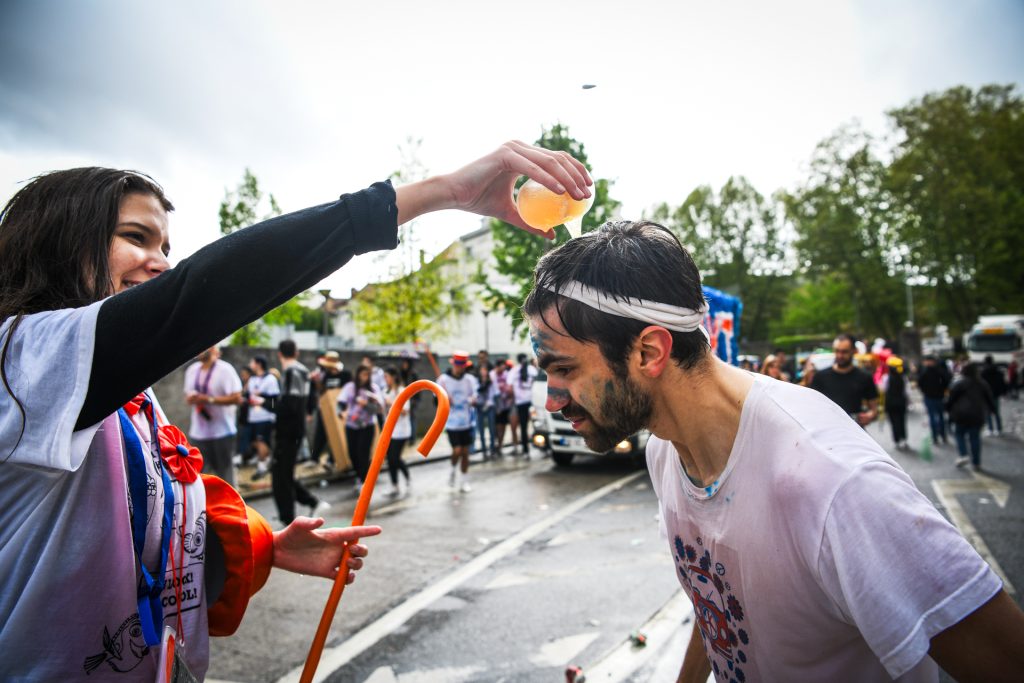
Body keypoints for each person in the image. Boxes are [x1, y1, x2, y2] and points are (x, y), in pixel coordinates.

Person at [0, 141, 592, 679]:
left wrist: (268, 547)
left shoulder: (124, 395)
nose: (161, 264)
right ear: (60, 243)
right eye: (136, 238)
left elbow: (133, 536)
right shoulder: (25, 361)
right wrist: (445, 193)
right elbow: (208, 290)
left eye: (166, 248)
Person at [522, 220, 1024, 682]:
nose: (552, 398)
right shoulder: (666, 451)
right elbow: (719, 599)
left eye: (563, 368)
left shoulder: (833, 483)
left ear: (649, 352)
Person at [272, 339, 329, 525]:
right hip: (296, 430)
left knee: (281, 476)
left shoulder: (290, 372)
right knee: (283, 474)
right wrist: (309, 411)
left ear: (280, 353)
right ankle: (308, 504)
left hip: (287, 430)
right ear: (296, 352)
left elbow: (288, 404)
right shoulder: (304, 371)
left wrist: (265, 403)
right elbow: (310, 398)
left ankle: (289, 518)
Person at [183, 345, 243, 488]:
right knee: (199, 477)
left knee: (226, 476)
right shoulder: (192, 370)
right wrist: (193, 399)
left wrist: (209, 400)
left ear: (213, 348)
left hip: (223, 431)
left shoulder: (225, 369)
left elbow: (237, 398)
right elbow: (187, 395)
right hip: (198, 433)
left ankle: (232, 508)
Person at [810, 334, 879, 427]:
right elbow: (811, 407)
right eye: (837, 351)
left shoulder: (864, 377)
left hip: (854, 431)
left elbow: (874, 410)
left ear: (854, 351)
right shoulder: (820, 377)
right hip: (826, 432)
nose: (840, 355)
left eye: (844, 352)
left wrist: (869, 416)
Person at [437, 350, 479, 492]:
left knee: (465, 452)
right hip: (451, 422)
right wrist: (443, 401)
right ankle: (452, 470)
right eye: (457, 365)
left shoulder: (470, 380)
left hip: (467, 421)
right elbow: (434, 401)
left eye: (461, 365)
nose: (459, 368)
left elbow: (475, 397)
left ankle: (464, 481)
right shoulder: (443, 380)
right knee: (457, 450)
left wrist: (473, 400)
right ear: (453, 364)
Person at [338, 364, 384, 491]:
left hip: (367, 425)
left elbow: (379, 409)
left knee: (363, 452)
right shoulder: (350, 387)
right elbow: (340, 403)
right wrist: (341, 412)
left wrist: (366, 404)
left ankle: (365, 480)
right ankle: (359, 475)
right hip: (351, 425)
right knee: (352, 453)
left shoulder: (373, 389)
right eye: (363, 374)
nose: (365, 377)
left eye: (367, 375)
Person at [947, 363, 997, 471]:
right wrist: (993, 410)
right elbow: (989, 398)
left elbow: (951, 399)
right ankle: (976, 462)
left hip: (961, 414)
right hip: (977, 414)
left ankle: (963, 454)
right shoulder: (982, 383)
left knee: (959, 434)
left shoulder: (959, 383)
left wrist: (947, 409)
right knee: (975, 438)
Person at [309, 350, 352, 470]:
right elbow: (322, 391)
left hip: (339, 409)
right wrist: (317, 382)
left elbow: (349, 391)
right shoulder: (326, 375)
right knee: (321, 433)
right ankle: (315, 458)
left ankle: (333, 459)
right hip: (326, 409)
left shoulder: (345, 375)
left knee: (338, 434)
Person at [246, 355, 279, 480]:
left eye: (252, 361)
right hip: (252, 416)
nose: (250, 364)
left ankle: (262, 467)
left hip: (265, 416)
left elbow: (274, 399)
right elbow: (249, 395)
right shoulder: (252, 379)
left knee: (261, 441)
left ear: (258, 364)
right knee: (253, 441)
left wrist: (261, 397)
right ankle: (270, 459)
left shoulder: (270, 379)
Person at [382, 366, 412, 496]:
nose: (385, 380)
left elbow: (405, 412)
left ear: (393, 377)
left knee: (395, 457)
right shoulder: (385, 391)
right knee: (390, 459)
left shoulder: (402, 391)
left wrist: (392, 403)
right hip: (389, 431)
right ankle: (394, 485)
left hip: (401, 431)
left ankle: (407, 477)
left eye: (387, 377)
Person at [917, 354, 951, 445]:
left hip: (931, 396)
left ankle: (937, 436)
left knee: (935, 417)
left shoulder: (926, 371)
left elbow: (920, 383)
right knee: (939, 417)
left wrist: (925, 391)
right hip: (938, 396)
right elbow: (947, 380)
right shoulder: (939, 370)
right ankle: (941, 436)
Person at [881, 355, 910, 450]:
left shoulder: (886, 378)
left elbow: (883, 389)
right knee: (902, 421)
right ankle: (904, 439)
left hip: (890, 403)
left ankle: (896, 440)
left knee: (894, 422)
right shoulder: (903, 377)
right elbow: (907, 391)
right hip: (901, 402)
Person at [511, 352, 537, 455]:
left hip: (521, 402)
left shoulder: (514, 371)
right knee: (538, 424)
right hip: (533, 401)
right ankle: (543, 446)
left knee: (523, 426)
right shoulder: (532, 369)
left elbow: (509, 387)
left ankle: (525, 449)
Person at [491, 359, 515, 455]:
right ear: (497, 366)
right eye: (502, 365)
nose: (504, 367)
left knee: (502, 426)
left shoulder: (507, 374)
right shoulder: (492, 375)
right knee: (496, 428)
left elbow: (510, 388)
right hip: (494, 406)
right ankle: (495, 445)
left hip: (505, 406)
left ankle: (499, 446)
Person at [474, 361, 498, 458]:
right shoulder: (476, 381)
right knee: (481, 429)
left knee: (492, 428)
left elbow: (494, 393)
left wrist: (489, 402)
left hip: (490, 406)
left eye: (485, 370)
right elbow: (475, 392)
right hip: (479, 406)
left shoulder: (491, 381)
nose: (483, 372)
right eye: (482, 370)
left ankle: (492, 448)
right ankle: (484, 449)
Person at [980, 355, 1007, 436]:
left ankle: (990, 429)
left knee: (987, 412)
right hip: (996, 394)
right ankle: (999, 429)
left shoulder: (983, 372)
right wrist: (1003, 392)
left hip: (986, 394)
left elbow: (981, 384)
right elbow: (1002, 383)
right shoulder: (998, 371)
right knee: (996, 412)